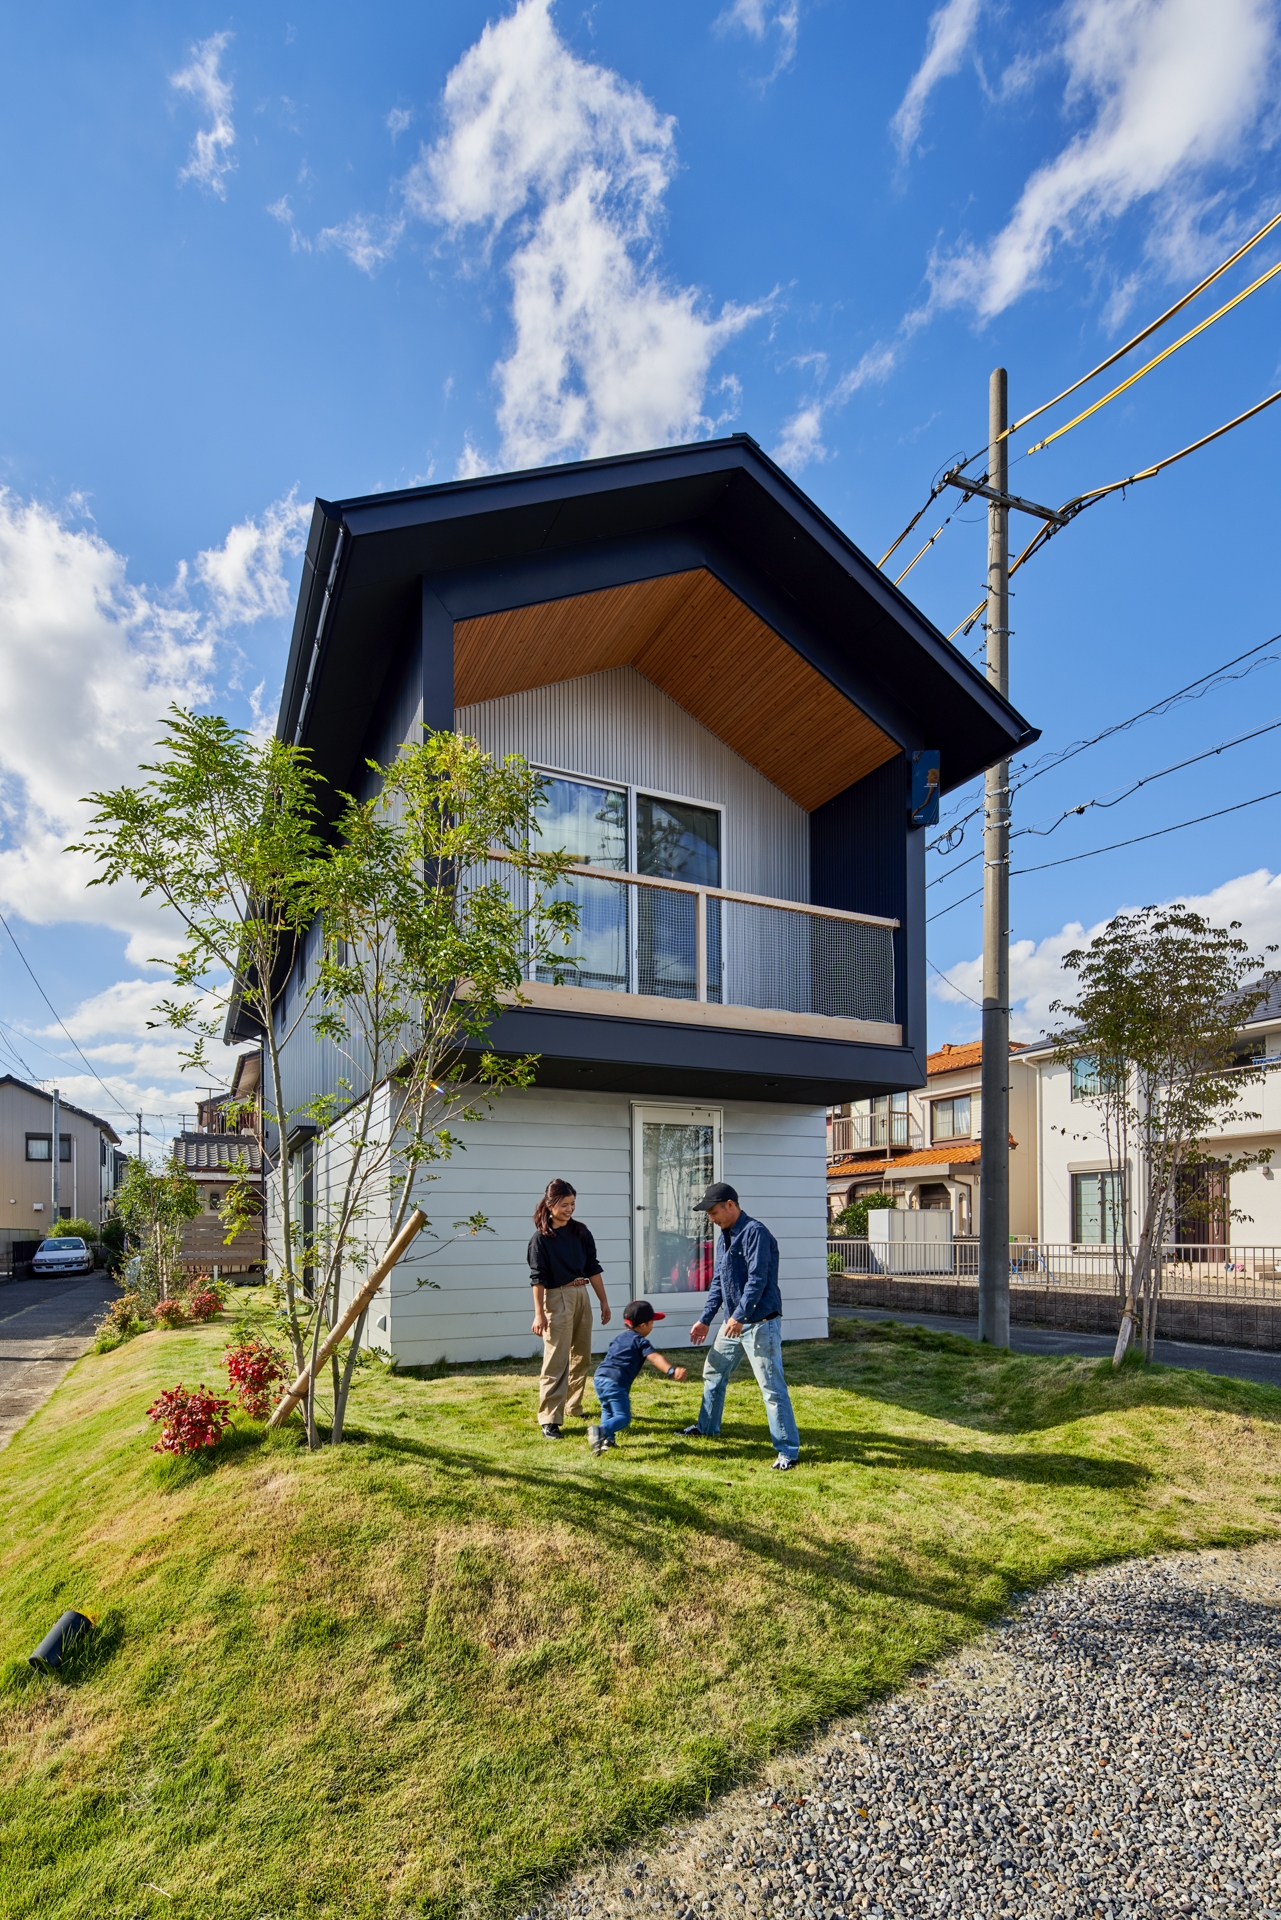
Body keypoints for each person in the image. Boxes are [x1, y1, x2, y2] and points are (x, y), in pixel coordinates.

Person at [682, 1182, 800, 1470]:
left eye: (713, 1212)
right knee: (713, 1372)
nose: (711, 1218)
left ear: (730, 1205)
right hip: (732, 1323)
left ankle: (787, 1451)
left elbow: (757, 1280)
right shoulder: (724, 1236)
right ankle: (707, 1427)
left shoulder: (755, 1233)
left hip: (759, 1322)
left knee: (771, 1387)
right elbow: (719, 1283)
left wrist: (740, 1316)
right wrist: (705, 1319)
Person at [528, 1178, 611, 1438]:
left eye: (573, 1204)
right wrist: (539, 1314)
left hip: (581, 1294)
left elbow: (593, 1267)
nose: (570, 1209)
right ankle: (550, 1419)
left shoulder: (581, 1232)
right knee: (556, 1360)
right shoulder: (540, 1239)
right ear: (550, 1205)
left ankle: (573, 1406)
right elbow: (537, 1279)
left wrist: (603, 1301)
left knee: (582, 1356)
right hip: (555, 1298)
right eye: (564, 1205)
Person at [587, 1301, 688, 1456]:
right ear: (643, 1325)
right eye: (652, 1322)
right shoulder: (640, 1341)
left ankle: (608, 1440)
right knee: (623, 1417)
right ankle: (600, 1431)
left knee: (607, 1409)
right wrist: (671, 1370)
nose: (653, 1325)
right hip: (616, 1382)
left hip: (600, 1377)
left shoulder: (619, 1338)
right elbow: (654, 1358)